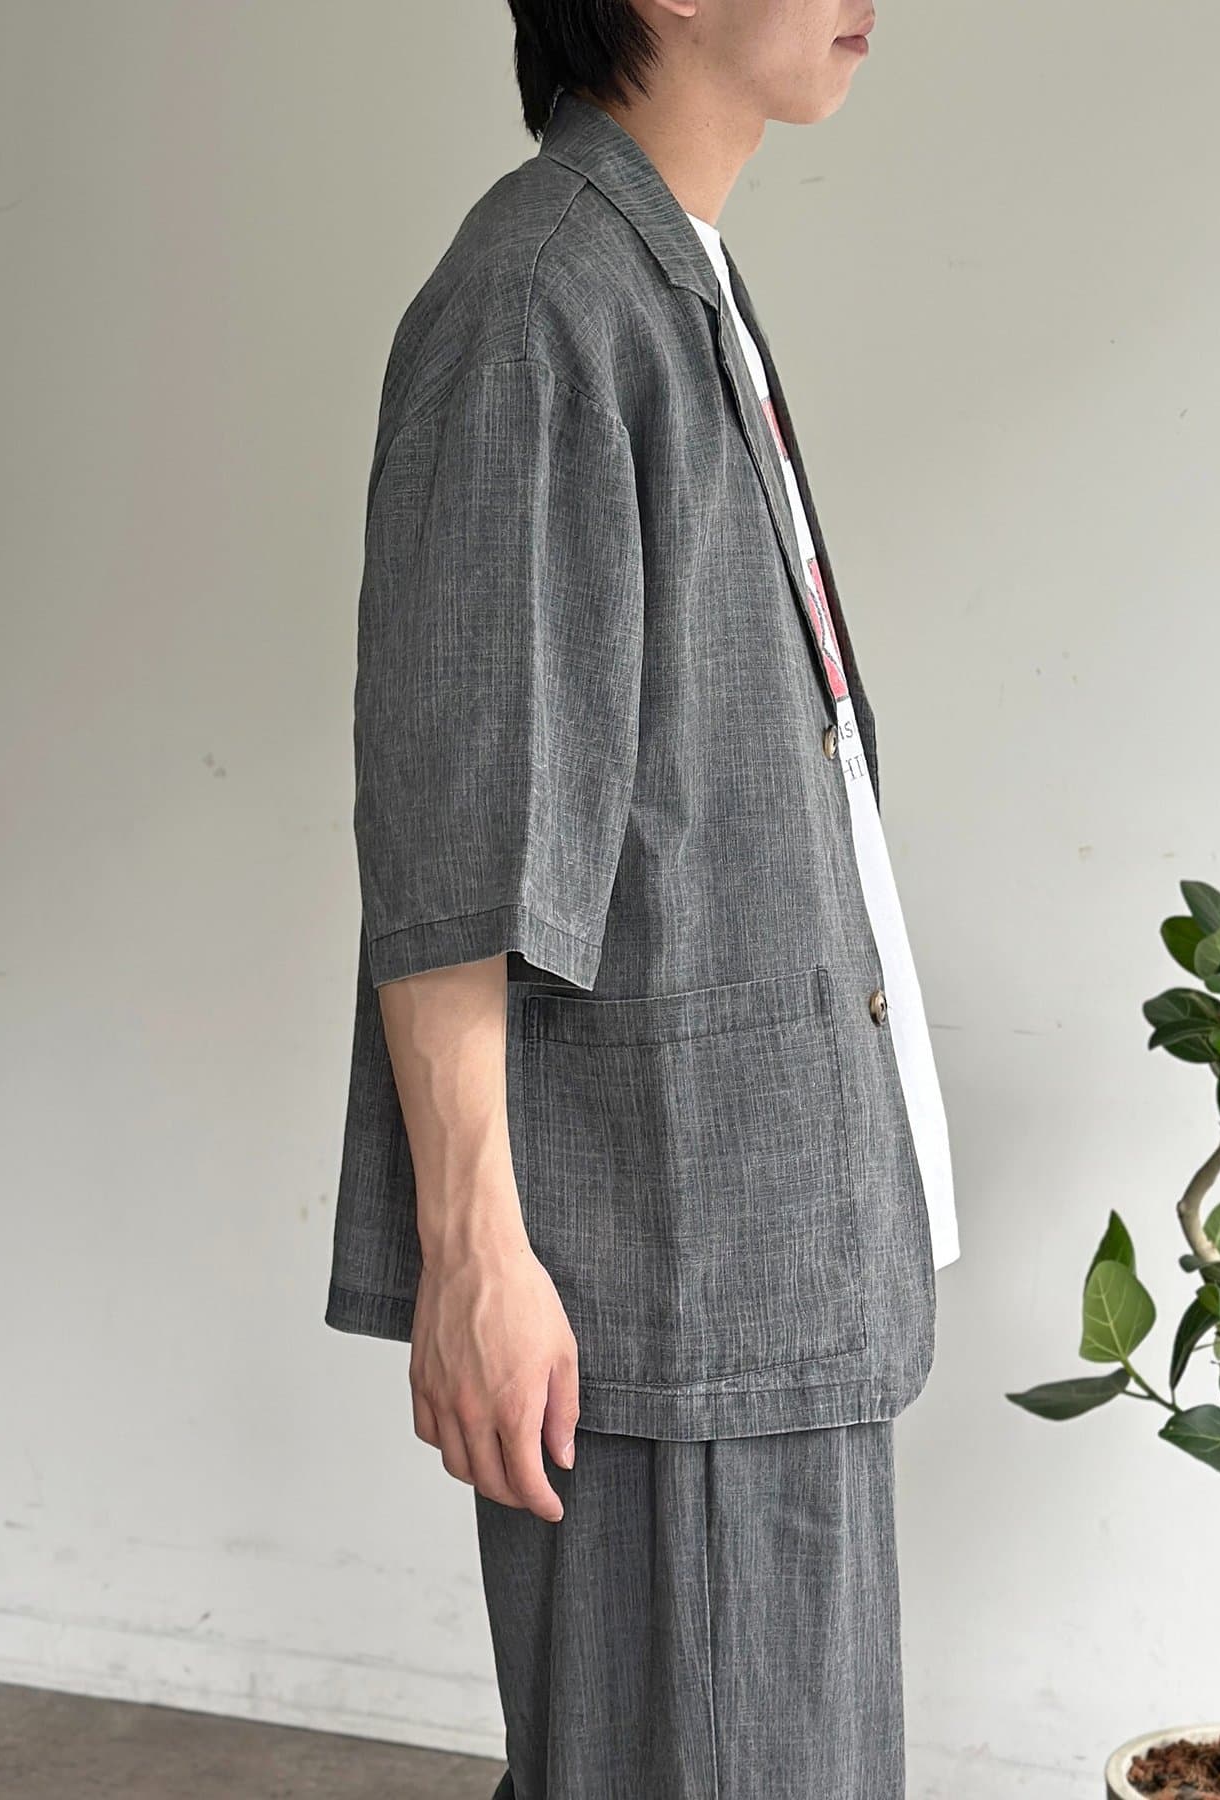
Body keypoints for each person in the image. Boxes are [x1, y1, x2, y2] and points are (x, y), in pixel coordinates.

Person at [324, 2, 960, 1792]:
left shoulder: (668, 278)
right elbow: (460, 836)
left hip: (759, 1260)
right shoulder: (541, 302)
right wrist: (476, 1252)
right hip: (658, 1293)